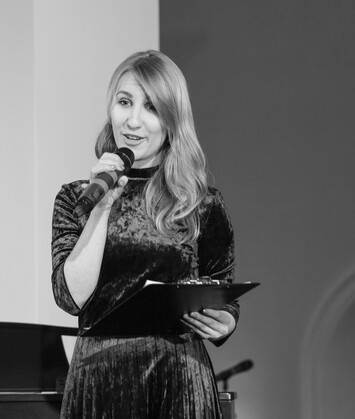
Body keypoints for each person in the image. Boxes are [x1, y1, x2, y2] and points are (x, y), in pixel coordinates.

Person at [51, 50, 239, 419]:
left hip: (179, 378)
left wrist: (226, 321)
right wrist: (101, 209)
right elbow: (70, 298)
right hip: (101, 378)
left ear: (172, 120)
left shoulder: (201, 203)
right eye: (124, 102)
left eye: (151, 107)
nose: (133, 120)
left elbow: (222, 288)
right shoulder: (77, 197)